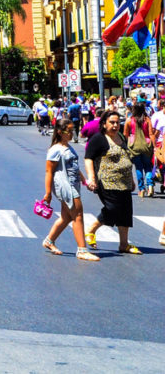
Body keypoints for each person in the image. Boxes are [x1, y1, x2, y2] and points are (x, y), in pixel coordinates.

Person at [84, 110, 141, 254]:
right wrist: (91, 177)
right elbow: (88, 158)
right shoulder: (98, 139)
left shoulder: (121, 136)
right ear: (104, 124)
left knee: (126, 213)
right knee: (112, 209)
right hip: (107, 181)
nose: (116, 125)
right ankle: (91, 229)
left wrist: (132, 180)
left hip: (124, 182)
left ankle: (124, 245)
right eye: (112, 123)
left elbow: (125, 158)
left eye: (117, 123)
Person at [41, 118, 98, 261]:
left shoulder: (67, 146)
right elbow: (49, 172)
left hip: (74, 184)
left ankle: (49, 241)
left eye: (73, 130)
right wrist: (48, 193)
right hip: (65, 186)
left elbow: (74, 167)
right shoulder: (55, 150)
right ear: (60, 132)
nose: (72, 133)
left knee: (66, 217)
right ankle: (82, 250)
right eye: (69, 131)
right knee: (77, 215)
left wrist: (85, 181)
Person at [124, 100, 155, 198]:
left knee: (138, 168)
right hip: (146, 145)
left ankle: (141, 189)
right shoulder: (147, 119)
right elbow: (151, 133)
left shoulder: (130, 120)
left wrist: (129, 141)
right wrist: (154, 146)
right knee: (148, 167)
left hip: (134, 147)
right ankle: (150, 185)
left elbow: (125, 133)